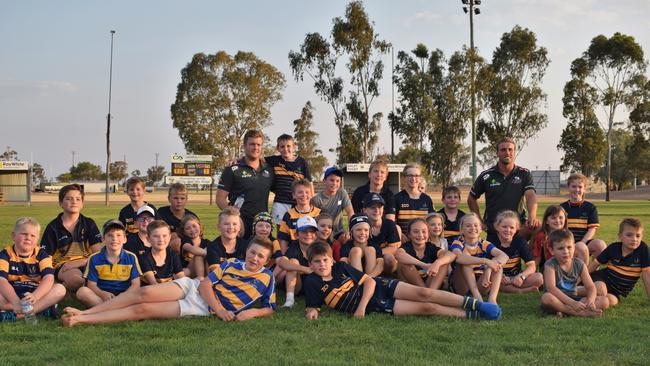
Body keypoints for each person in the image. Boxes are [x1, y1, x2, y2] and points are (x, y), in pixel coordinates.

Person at [61, 237, 276, 326]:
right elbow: (204, 284)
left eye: (260, 256)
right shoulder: (231, 264)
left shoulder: (267, 277)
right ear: (247, 251)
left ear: (267, 260)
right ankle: (85, 312)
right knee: (143, 294)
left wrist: (254, 312)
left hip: (199, 306)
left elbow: (270, 307)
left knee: (143, 310)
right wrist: (220, 310)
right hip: (193, 289)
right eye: (252, 253)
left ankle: (80, 320)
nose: (254, 259)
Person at [303, 241, 501, 320]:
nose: (322, 265)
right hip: (376, 304)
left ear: (331, 259)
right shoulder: (312, 282)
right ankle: (472, 315)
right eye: (317, 262)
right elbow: (313, 305)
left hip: (378, 288)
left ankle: (478, 305)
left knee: (424, 293)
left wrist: (360, 309)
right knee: (427, 308)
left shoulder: (340, 267)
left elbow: (370, 282)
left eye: (325, 260)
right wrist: (312, 311)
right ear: (310, 264)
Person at [467, 137, 539, 242]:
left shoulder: (524, 173)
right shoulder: (486, 175)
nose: (507, 152)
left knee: (541, 228)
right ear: (497, 153)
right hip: (494, 229)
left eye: (510, 150)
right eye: (503, 150)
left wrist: (532, 216)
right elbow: (471, 198)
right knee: (495, 258)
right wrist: (479, 220)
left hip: (517, 228)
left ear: (514, 152)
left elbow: (530, 195)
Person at [40, 184, 102, 293]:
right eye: (69, 199)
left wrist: (81, 262)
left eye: (78, 199)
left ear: (82, 203)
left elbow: (98, 254)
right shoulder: (53, 227)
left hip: (86, 262)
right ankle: (58, 290)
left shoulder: (89, 223)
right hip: (64, 265)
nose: (74, 202)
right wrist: (46, 277)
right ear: (61, 203)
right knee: (76, 280)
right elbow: (46, 257)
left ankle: (71, 291)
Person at [0, 217, 65, 321]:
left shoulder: (42, 254)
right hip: (11, 294)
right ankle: (43, 311)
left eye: (33, 235)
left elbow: (49, 278)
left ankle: (17, 315)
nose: (28, 238)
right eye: (24, 234)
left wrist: (35, 296)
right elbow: (2, 280)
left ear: (37, 239)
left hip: (34, 294)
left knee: (60, 289)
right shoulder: (5, 254)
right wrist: (15, 301)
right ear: (13, 236)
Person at [216, 129, 274, 239]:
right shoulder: (232, 169)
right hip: (240, 222)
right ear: (244, 146)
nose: (255, 147)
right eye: (252, 144)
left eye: (258, 144)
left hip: (261, 223)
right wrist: (234, 218)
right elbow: (220, 199)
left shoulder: (269, 169)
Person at [540, 229, 609, 317]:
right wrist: (572, 303)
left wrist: (590, 301)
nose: (566, 251)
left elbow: (590, 286)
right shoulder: (550, 265)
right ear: (552, 250)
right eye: (560, 248)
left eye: (569, 247)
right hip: (557, 298)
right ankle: (577, 313)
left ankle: (563, 311)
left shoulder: (579, 264)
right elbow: (551, 288)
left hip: (574, 297)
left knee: (604, 301)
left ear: (574, 247)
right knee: (546, 298)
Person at [76, 220, 142, 307]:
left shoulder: (131, 257)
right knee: (82, 292)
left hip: (124, 296)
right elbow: (91, 285)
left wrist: (123, 296)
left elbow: (136, 284)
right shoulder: (94, 258)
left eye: (118, 235)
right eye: (110, 235)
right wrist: (103, 294)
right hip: (102, 296)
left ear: (125, 239)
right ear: (103, 239)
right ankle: (115, 309)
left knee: (141, 294)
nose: (114, 239)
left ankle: (106, 309)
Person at [588, 218, 650, 306]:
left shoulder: (643, 250)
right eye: (629, 235)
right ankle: (572, 290)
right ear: (620, 236)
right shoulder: (613, 248)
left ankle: (576, 306)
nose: (634, 239)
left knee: (608, 301)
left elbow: (647, 274)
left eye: (638, 236)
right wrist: (579, 279)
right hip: (602, 279)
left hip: (616, 291)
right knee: (601, 290)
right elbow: (595, 263)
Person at [449, 213, 508, 304]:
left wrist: (489, 268)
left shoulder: (483, 243)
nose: (473, 228)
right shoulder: (458, 242)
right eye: (468, 226)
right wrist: (485, 261)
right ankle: (477, 297)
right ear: (462, 230)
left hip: (481, 283)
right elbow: (459, 258)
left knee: (497, 266)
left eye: (476, 225)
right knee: (465, 260)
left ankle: (492, 299)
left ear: (480, 229)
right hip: (462, 285)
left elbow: (504, 256)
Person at [491, 211, 543, 293]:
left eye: (512, 228)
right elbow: (486, 266)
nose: (508, 230)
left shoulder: (520, 241)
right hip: (499, 277)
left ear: (517, 229)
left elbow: (532, 265)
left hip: (516, 278)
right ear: (497, 227)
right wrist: (500, 276)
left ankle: (510, 288)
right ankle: (520, 291)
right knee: (491, 280)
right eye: (504, 227)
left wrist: (521, 276)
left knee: (539, 277)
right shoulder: (491, 241)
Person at [396, 218, 456, 290]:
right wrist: (424, 265)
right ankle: (426, 293)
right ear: (409, 234)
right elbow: (399, 254)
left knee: (443, 263)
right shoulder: (407, 246)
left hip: (430, 285)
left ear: (428, 234)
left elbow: (451, 255)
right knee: (405, 263)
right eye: (416, 232)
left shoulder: (430, 247)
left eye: (424, 232)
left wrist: (437, 263)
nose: (420, 235)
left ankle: (429, 293)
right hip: (411, 287)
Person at [560, 173, 607, 264]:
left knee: (600, 245)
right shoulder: (562, 208)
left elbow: (592, 229)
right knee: (580, 247)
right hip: (566, 243)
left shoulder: (590, 207)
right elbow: (559, 229)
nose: (577, 189)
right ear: (568, 187)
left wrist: (582, 242)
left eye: (580, 187)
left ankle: (590, 272)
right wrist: (570, 244)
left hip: (584, 241)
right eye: (573, 186)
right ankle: (579, 275)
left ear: (584, 189)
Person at [266, 134, 311, 228]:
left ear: (294, 147)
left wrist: (309, 203)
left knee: (299, 229)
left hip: (297, 203)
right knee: (280, 230)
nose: (285, 149)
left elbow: (309, 184)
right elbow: (256, 159)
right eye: (282, 146)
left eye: (288, 146)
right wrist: (238, 160)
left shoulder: (302, 162)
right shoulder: (274, 160)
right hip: (280, 202)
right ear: (278, 148)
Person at [277, 216, 318, 308]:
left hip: (314, 284)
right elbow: (282, 263)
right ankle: (290, 300)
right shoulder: (295, 246)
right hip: (298, 286)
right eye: (304, 231)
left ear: (316, 235)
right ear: (296, 235)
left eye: (311, 231)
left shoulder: (319, 247)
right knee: (293, 262)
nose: (308, 234)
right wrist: (304, 269)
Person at [393, 163, 435, 241]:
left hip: (423, 241)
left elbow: (432, 221)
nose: (413, 178)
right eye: (410, 175)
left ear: (420, 178)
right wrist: (400, 234)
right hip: (403, 242)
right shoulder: (396, 198)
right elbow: (392, 222)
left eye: (416, 176)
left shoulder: (427, 199)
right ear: (404, 178)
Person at [277, 179, 321, 253]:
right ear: (294, 195)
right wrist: (284, 256)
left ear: (311, 194)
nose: (304, 195)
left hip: (315, 252)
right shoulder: (289, 215)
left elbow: (322, 237)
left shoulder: (319, 213)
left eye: (307, 192)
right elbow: (283, 239)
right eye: (300, 192)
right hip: (295, 253)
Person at [311, 166, 354, 241]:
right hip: (323, 231)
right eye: (331, 180)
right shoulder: (317, 199)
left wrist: (350, 229)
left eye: (337, 181)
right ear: (324, 181)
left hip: (338, 231)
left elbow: (350, 212)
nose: (334, 183)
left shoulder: (342, 193)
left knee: (347, 238)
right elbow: (314, 220)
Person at [362, 192, 401, 274]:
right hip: (365, 259)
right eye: (373, 207)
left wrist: (375, 252)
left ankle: (388, 278)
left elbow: (394, 248)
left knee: (389, 258)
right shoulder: (361, 226)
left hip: (383, 258)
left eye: (380, 207)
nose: (377, 210)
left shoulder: (389, 224)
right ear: (364, 210)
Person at [140, 220, 185, 285]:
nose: (161, 239)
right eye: (156, 236)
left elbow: (181, 279)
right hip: (150, 291)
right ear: (148, 239)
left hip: (168, 290)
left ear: (169, 237)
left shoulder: (173, 255)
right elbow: (153, 284)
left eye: (164, 236)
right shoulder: (144, 257)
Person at [159, 183, 198, 253]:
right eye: (175, 198)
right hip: (166, 248)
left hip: (189, 248)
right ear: (169, 198)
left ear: (186, 199)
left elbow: (198, 236)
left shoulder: (192, 217)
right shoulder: (161, 213)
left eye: (182, 198)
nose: (179, 201)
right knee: (175, 239)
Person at [205, 207, 247, 272]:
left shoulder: (246, 245)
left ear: (239, 227)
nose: (231, 227)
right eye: (226, 224)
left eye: (235, 224)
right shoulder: (213, 246)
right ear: (219, 227)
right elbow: (216, 273)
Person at [178, 215, 209, 279]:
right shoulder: (185, 241)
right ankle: (200, 279)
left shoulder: (206, 242)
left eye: (194, 226)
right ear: (184, 232)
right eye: (188, 228)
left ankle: (209, 279)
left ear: (200, 226)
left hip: (204, 270)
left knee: (209, 252)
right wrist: (208, 253)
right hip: (189, 270)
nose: (192, 230)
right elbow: (191, 248)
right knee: (198, 254)